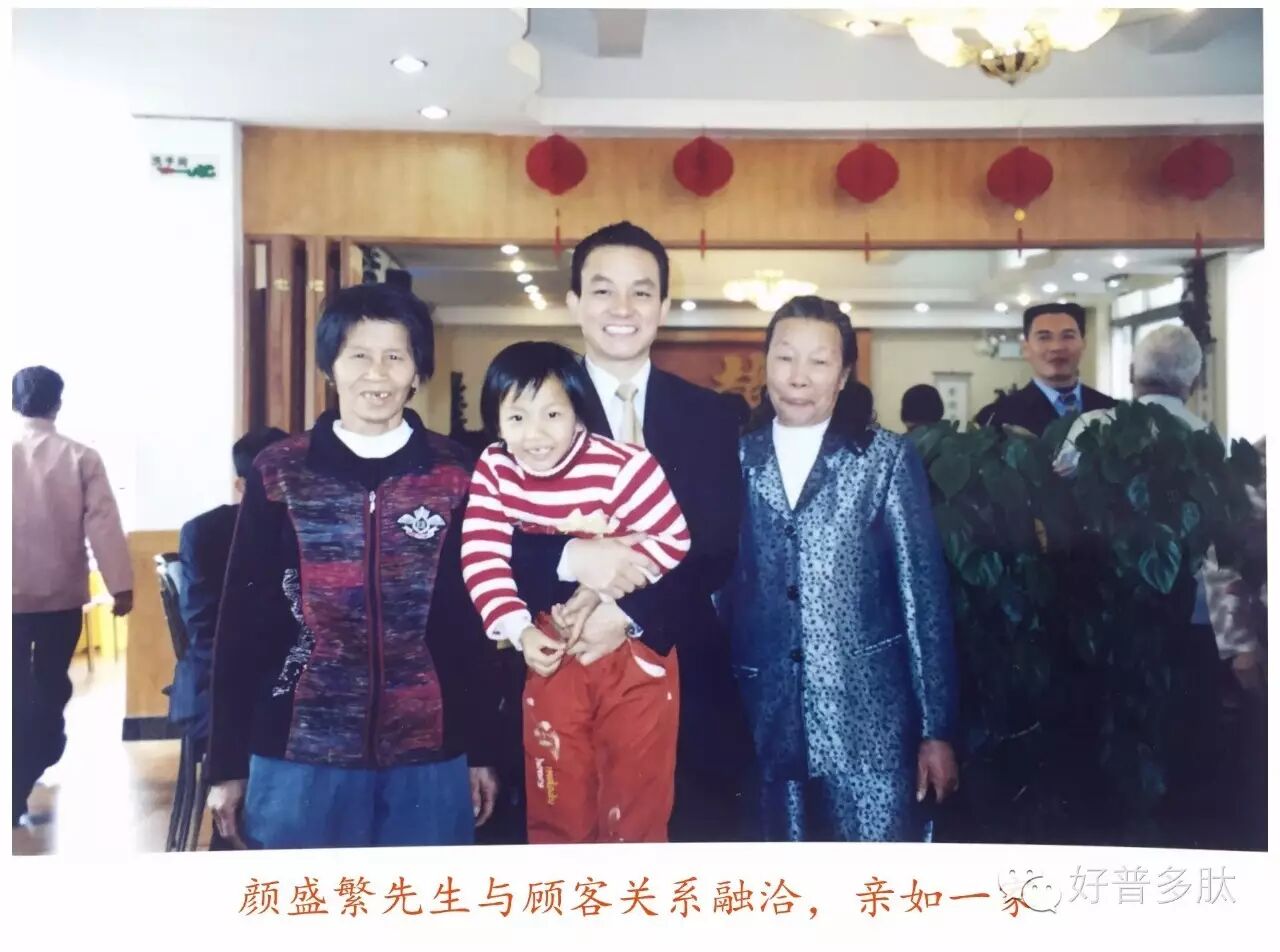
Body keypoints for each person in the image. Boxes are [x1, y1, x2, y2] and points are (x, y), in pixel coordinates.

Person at [205, 283, 500, 850]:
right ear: (330, 367)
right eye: (358, 355)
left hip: (430, 752)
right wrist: (227, 763)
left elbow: (470, 625)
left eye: (395, 356)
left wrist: (481, 750)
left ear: (417, 371)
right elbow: (241, 623)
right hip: (299, 751)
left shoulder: (456, 474)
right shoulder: (281, 471)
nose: (377, 374)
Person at [507, 220, 754, 842]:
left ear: (663, 307)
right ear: (574, 303)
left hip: (679, 672)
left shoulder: (711, 414)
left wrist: (628, 611)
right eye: (602, 290)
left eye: (641, 292)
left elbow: (717, 546)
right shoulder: (529, 405)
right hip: (558, 666)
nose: (622, 309)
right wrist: (574, 558)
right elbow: (497, 534)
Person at [722, 296, 959, 841]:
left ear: (845, 373)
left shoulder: (884, 459)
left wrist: (936, 730)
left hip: (871, 724)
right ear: (765, 362)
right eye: (785, 357)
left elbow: (922, 598)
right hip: (762, 721)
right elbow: (719, 594)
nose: (798, 377)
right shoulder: (735, 459)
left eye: (819, 361)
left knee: (873, 882)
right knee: (777, 884)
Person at [462, 340, 691, 843]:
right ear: (495, 422)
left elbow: (673, 539)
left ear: (578, 414)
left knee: (635, 808)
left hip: (631, 652)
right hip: (552, 642)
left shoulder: (626, 465)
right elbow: (482, 556)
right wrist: (519, 631)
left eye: (552, 414)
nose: (535, 435)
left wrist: (601, 596)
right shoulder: (495, 468)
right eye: (516, 417)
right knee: (557, 800)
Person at [12, 365, 133, 826]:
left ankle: (20, 772)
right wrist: (120, 585)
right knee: (50, 685)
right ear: (58, 403)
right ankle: (34, 759)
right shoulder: (80, 457)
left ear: (13, 403)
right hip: (59, 599)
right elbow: (103, 523)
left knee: (13, 691)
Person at [169, 428, 288, 745]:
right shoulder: (205, 533)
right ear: (241, 486)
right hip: (221, 685)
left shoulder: (315, 528)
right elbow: (204, 626)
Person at [974, 303, 1116, 436]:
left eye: (1068, 336)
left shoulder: (1114, 411)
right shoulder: (996, 417)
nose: (1056, 347)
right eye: (1044, 337)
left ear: (1083, 344)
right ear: (1025, 348)